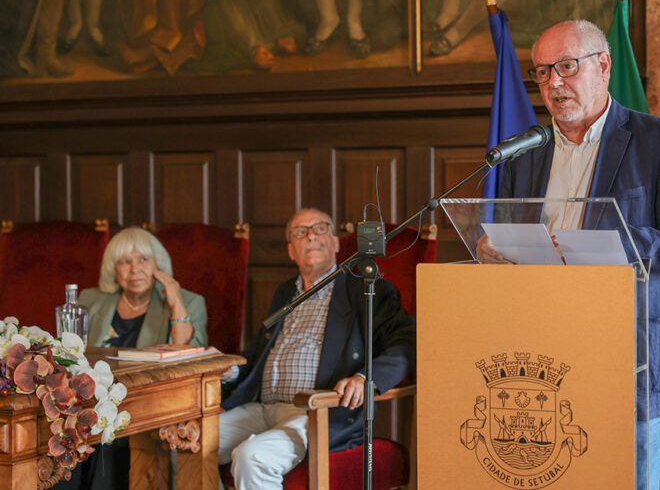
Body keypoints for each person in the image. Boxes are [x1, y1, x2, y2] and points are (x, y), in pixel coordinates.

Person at [476, 20, 660, 490]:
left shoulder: (659, 141)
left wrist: (614, 246)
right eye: (542, 73)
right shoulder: (525, 153)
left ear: (603, 65)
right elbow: (516, 240)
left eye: (566, 67)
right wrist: (492, 249)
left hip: (632, 356)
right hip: (543, 359)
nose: (554, 84)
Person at [218, 208, 415, 489]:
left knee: (252, 457)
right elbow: (257, 356)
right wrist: (229, 369)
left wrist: (366, 378)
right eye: (300, 232)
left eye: (320, 228)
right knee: (191, 443)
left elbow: (407, 342)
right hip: (260, 407)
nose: (311, 235)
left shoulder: (366, 290)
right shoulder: (285, 292)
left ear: (335, 243)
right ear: (291, 251)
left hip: (315, 413)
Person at [56, 226, 208, 490]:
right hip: (88, 404)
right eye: (125, 262)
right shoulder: (91, 299)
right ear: (113, 270)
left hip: (143, 407)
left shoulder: (189, 302)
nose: (134, 269)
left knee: (107, 443)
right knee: (62, 443)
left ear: (158, 266)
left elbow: (186, 361)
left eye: (143, 260)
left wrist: (175, 302)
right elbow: (72, 356)